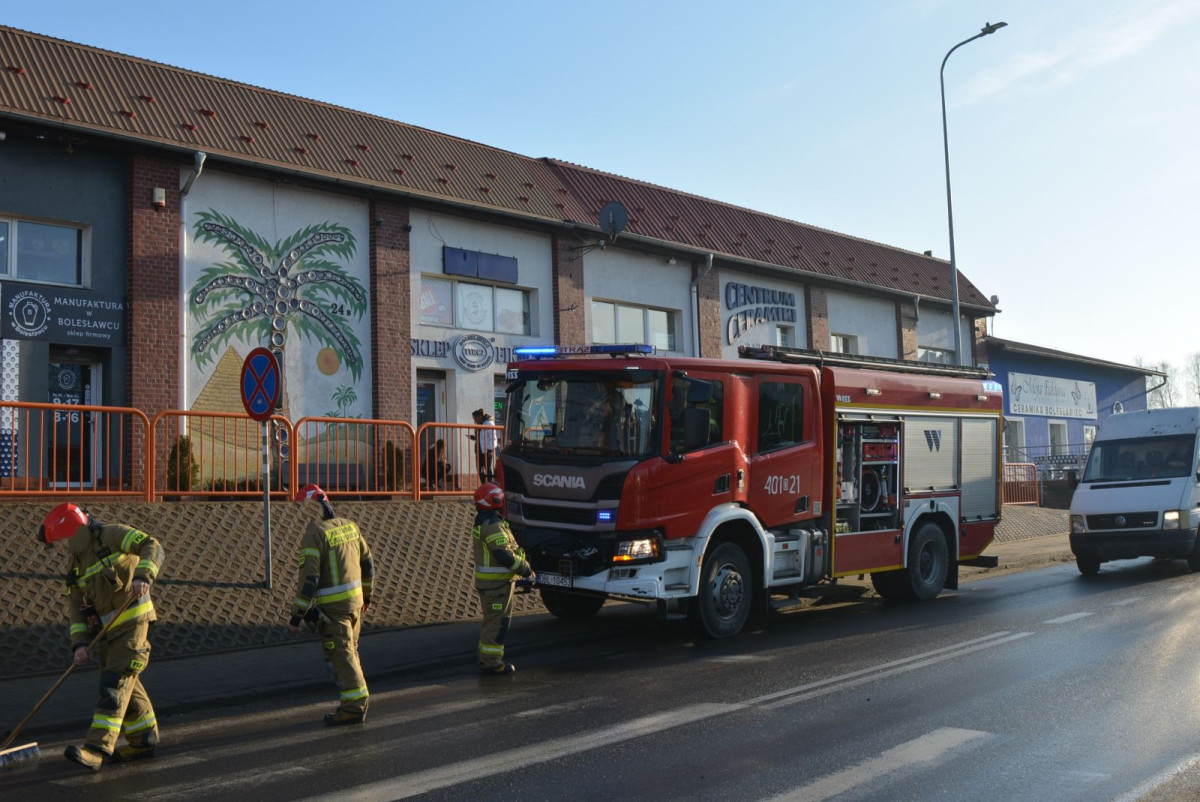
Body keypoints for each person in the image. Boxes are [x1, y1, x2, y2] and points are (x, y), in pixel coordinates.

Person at [38, 502, 165, 772]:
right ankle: (144, 738)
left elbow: (151, 545)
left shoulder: (110, 535)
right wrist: (80, 644)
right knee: (126, 684)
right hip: (107, 635)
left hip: (133, 624)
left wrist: (144, 575)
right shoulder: (75, 567)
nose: (65, 548)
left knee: (114, 683)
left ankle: (97, 748)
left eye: (64, 540)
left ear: (76, 531)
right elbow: (76, 610)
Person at [288, 484, 375, 726]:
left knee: (342, 656)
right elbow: (368, 565)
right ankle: (355, 702)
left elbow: (310, 579)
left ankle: (354, 706)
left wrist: (297, 615)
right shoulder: (350, 526)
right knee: (351, 653)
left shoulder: (315, 533)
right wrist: (367, 596)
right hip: (356, 605)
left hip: (333, 612)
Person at [471, 482, 534, 675]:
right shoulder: (493, 526)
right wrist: (525, 569)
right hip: (496, 586)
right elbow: (504, 555)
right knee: (496, 624)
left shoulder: (487, 522)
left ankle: (488, 660)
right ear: (495, 500)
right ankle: (492, 662)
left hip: (496, 584)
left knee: (494, 622)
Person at [471, 408, 498, 483]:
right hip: (478, 449)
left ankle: (489, 484)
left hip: (487, 449)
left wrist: (490, 450)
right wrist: (473, 437)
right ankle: (483, 484)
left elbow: (493, 437)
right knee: (479, 468)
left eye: (475, 419)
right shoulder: (477, 424)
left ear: (480, 417)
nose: (474, 421)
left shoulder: (489, 423)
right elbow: (480, 437)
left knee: (487, 467)